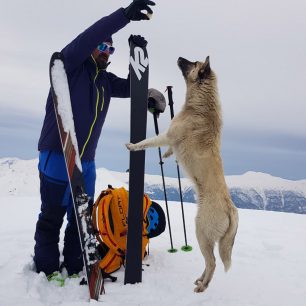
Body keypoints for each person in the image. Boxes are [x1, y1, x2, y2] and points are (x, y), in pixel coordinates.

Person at [34, 0, 155, 284]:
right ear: (91, 48)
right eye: (102, 46)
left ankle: (77, 265)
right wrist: (124, 16)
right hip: (57, 154)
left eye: (110, 49)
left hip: (86, 161)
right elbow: (89, 35)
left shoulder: (104, 81)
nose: (105, 52)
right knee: (52, 215)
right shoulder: (72, 65)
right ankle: (46, 268)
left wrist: (141, 67)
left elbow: (131, 86)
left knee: (82, 220)